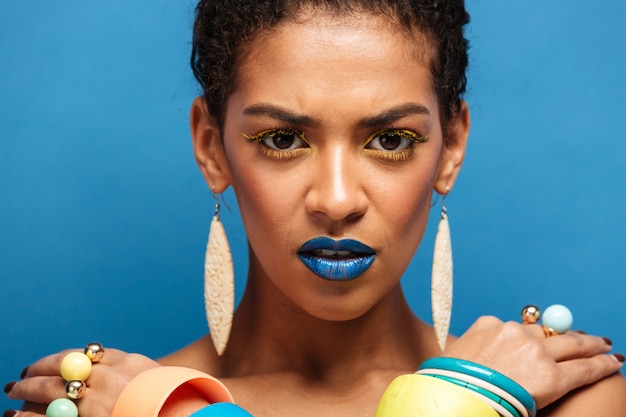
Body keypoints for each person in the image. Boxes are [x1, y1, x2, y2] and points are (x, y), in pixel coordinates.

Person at [4, 0, 626, 416]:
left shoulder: (566, 402)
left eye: (389, 140)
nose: (336, 201)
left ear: (451, 147)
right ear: (210, 146)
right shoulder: (94, 407)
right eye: (281, 139)